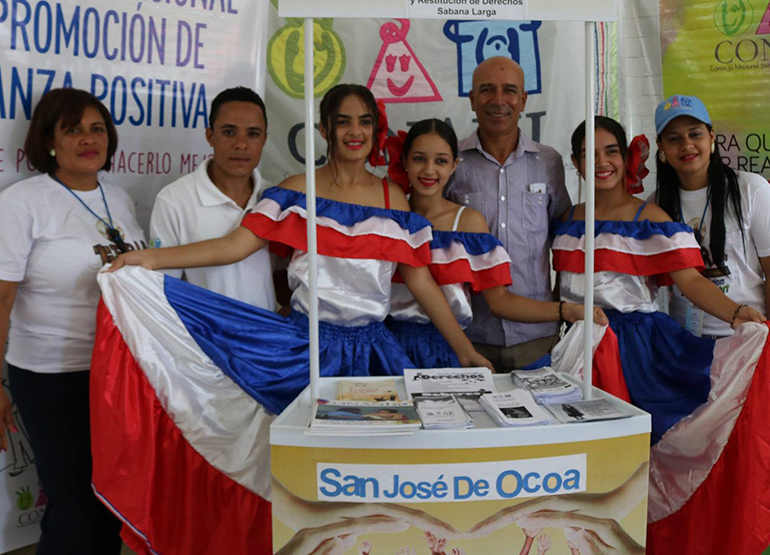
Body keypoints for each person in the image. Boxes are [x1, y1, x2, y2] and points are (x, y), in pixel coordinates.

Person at [108, 84, 492, 411]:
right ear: (325, 128)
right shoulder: (296, 189)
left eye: (364, 121)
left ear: (376, 130)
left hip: (375, 350)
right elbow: (235, 245)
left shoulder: (392, 198)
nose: (354, 131)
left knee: (374, 456)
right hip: (306, 346)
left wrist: (464, 350)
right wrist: (151, 258)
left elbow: (419, 280)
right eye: (343, 121)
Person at [552, 117, 770, 555]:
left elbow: (690, 280)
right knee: (578, 463)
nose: (603, 162)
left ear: (627, 158)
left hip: (638, 353)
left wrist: (741, 314)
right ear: (576, 163)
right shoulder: (567, 219)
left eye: (611, 151)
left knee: (645, 458)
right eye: (591, 153)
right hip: (576, 351)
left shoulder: (651, 216)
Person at [0, 88, 145, 554]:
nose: (89, 139)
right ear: (48, 141)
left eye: (97, 128)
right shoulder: (21, 203)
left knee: (110, 504)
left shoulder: (120, 199)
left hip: (115, 374)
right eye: (73, 130)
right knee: (71, 507)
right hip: (51, 377)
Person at [386, 119, 599, 368]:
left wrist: (566, 310)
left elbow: (500, 301)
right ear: (404, 161)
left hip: (450, 349)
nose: (429, 170)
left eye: (441, 161)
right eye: (419, 159)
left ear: (455, 165)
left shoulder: (468, 223)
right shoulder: (388, 214)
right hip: (390, 344)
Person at [444, 56, 571, 372]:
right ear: (472, 100)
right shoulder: (451, 162)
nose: (498, 100)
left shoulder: (548, 162)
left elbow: (564, 240)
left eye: (509, 90)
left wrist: (560, 306)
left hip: (537, 338)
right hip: (469, 336)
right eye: (487, 90)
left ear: (523, 100)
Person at [653, 94, 770, 342]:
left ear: (712, 137)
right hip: (684, 342)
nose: (686, 145)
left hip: (748, 337)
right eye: (674, 139)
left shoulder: (751, 189)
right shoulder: (655, 205)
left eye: (695, 134)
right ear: (661, 147)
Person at [149, 86, 276, 308]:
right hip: (200, 339)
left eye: (253, 134)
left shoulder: (273, 199)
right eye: (229, 132)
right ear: (210, 136)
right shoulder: (174, 200)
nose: (241, 144)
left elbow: (287, 276)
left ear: (264, 139)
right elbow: (164, 289)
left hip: (266, 339)